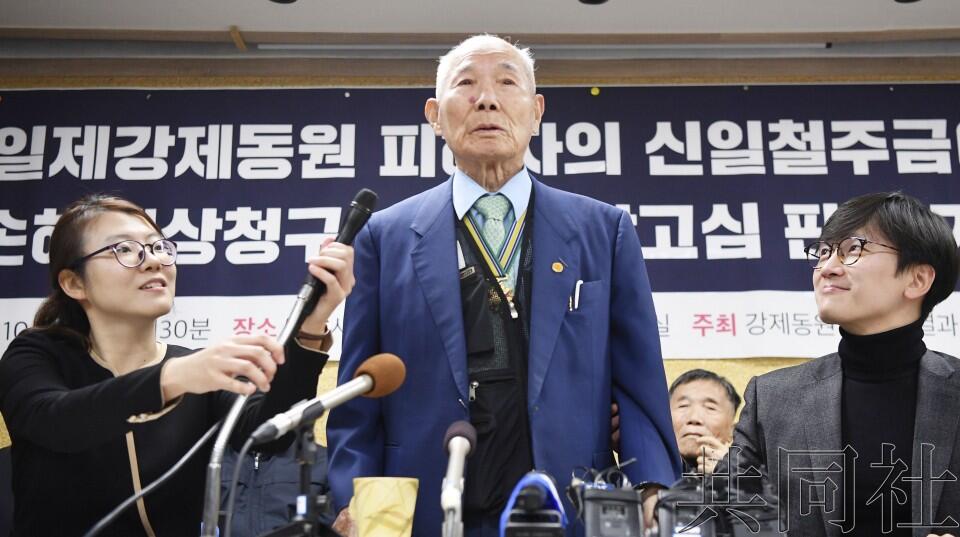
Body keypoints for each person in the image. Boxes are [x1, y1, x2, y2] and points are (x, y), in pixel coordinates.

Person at [326, 34, 680, 537]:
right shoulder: (384, 237)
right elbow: (359, 392)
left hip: (570, 505)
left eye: (507, 83)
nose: (487, 99)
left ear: (536, 112)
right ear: (434, 115)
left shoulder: (604, 230)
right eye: (466, 83)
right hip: (426, 506)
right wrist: (351, 496)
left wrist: (652, 484)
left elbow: (638, 380)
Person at [0, 193, 355, 537]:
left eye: (158, 247)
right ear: (74, 283)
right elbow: (56, 420)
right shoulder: (36, 354)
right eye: (124, 249)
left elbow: (271, 434)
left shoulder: (193, 368)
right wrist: (171, 378)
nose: (153, 261)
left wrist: (313, 321)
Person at [727, 192, 960, 537]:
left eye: (854, 249)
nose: (827, 268)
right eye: (824, 252)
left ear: (917, 280)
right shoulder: (773, 397)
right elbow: (725, 510)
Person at [668, 369, 739, 475]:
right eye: (683, 406)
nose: (694, 418)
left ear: (733, 431)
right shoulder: (644, 470)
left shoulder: (754, 476)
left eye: (710, 408)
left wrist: (729, 474)